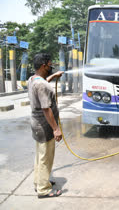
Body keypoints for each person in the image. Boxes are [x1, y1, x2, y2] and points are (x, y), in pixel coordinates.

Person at [28, 53, 64, 198]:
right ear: (44, 66)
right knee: (46, 158)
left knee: (39, 156)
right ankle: (44, 189)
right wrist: (56, 129)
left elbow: (42, 83)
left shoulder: (33, 79)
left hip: (36, 125)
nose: (51, 67)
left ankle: (39, 182)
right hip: (44, 126)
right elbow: (46, 108)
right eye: (50, 65)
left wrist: (53, 76)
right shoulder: (41, 84)